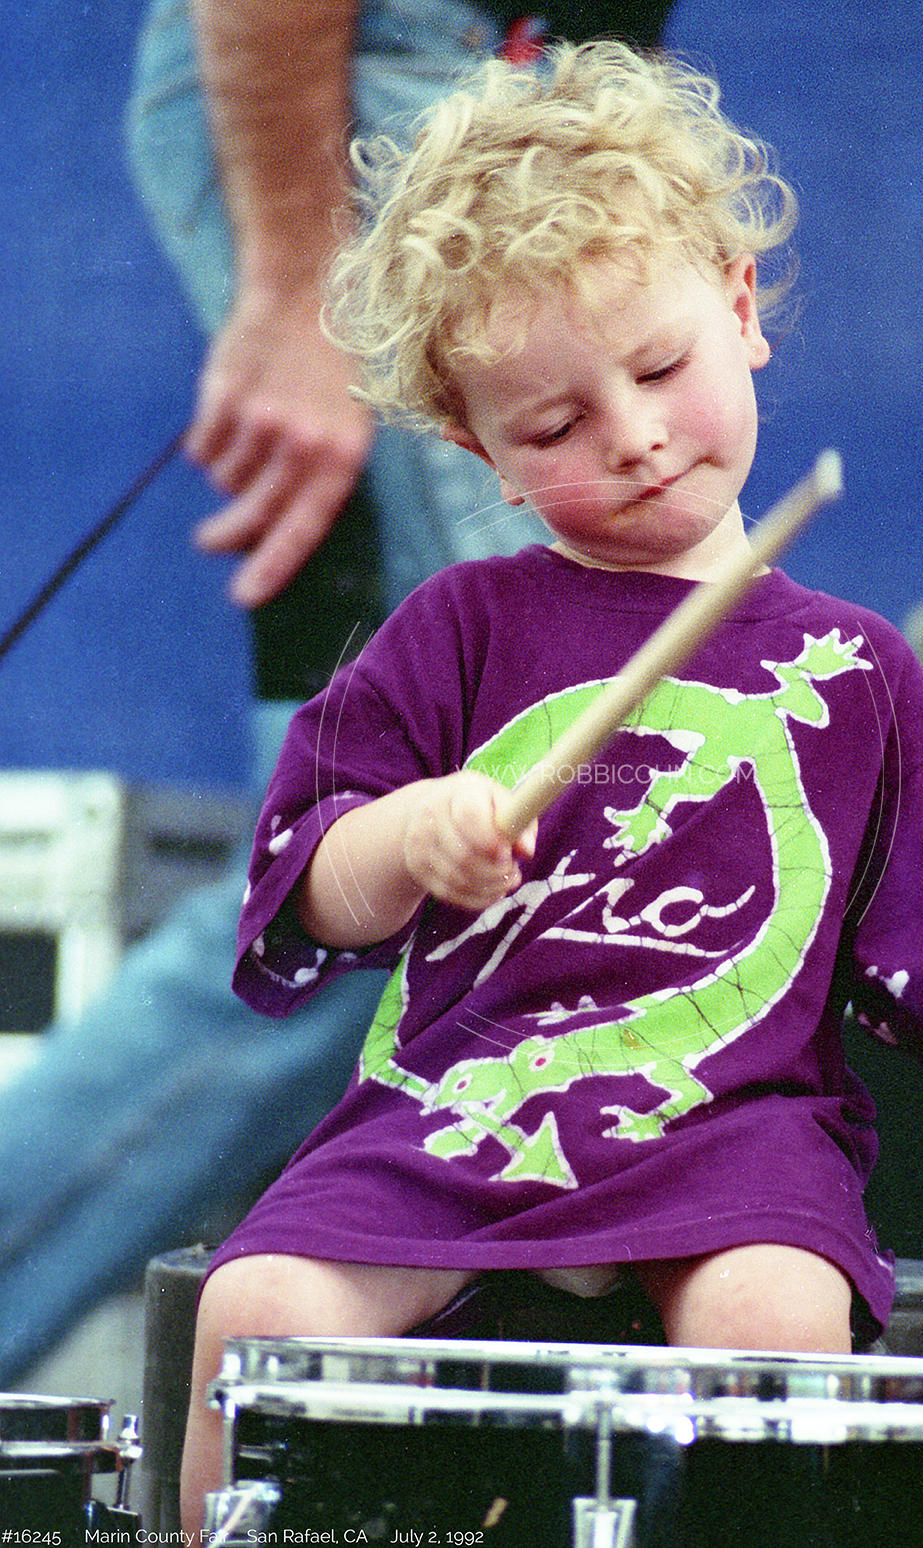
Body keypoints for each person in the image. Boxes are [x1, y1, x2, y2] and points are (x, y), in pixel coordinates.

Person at [180, 40, 923, 1528]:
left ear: (740, 307)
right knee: (254, 1312)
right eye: (554, 427)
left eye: (659, 369)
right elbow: (306, 884)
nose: (637, 437)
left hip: (729, 1128)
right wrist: (410, 838)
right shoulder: (457, 629)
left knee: (774, 1323)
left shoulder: (852, 669)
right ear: (481, 450)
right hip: (461, 1108)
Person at [0, 0, 672, 1388]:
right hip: (390, 108)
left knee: (416, 882)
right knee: (409, 867)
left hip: (495, 105)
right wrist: (307, 291)